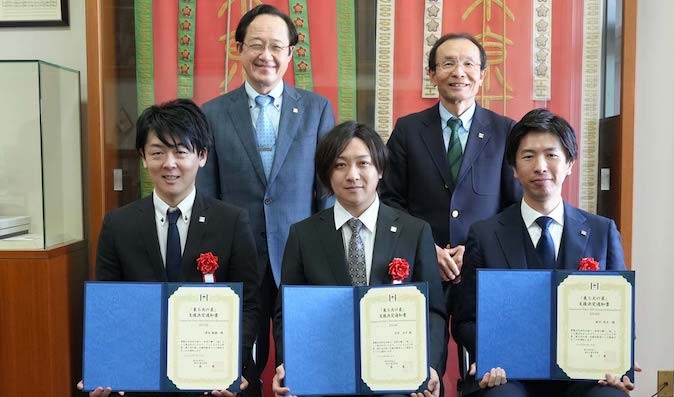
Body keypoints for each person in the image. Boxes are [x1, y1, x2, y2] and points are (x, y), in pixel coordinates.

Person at [78, 99, 264, 397]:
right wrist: (107, 368)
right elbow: (109, 305)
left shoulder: (231, 221)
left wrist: (232, 366)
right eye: (157, 152)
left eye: (181, 151)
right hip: (142, 379)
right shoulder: (118, 224)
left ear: (201, 156)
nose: (169, 163)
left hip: (214, 381)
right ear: (143, 157)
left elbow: (251, 304)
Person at [195, 5, 335, 395]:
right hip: (239, 258)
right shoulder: (213, 114)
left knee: (302, 368)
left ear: (290, 54)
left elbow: (326, 191)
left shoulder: (317, 109)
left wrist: (327, 254)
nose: (266, 55)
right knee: (238, 370)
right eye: (256, 44)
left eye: (277, 46)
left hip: (301, 258)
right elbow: (207, 193)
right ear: (238, 49)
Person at [452, 108, 634, 397]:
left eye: (551, 154)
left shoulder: (602, 231)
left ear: (570, 163)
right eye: (528, 156)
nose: (540, 166)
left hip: (583, 376)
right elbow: (466, 319)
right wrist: (488, 354)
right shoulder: (485, 234)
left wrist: (620, 361)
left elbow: (620, 312)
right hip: (509, 373)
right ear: (513, 168)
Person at [379, 32, 521, 382]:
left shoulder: (506, 132)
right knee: (424, 371)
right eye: (448, 63)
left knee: (489, 373)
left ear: (482, 75)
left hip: (484, 271)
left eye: (469, 64)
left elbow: (513, 206)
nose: (459, 72)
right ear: (432, 74)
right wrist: (429, 248)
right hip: (422, 268)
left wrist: (474, 251)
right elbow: (390, 200)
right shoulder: (408, 130)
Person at [271, 121, 446, 397]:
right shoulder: (303, 235)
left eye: (363, 163)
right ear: (327, 174)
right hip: (325, 375)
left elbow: (434, 311)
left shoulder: (415, 231)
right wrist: (289, 366)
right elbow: (287, 313)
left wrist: (432, 367)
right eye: (340, 165)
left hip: (396, 378)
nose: (352, 175)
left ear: (380, 170)